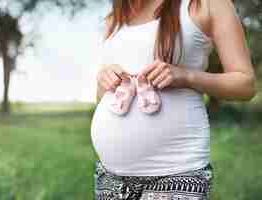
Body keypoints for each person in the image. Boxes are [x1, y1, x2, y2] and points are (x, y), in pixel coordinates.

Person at [90, 0, 257, 199]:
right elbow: (102, 98)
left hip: (175, 173)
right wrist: (103, 80)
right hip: (110, 178)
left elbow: (245, 84)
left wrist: (186, 76)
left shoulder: (207, 4)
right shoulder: (116, 16)